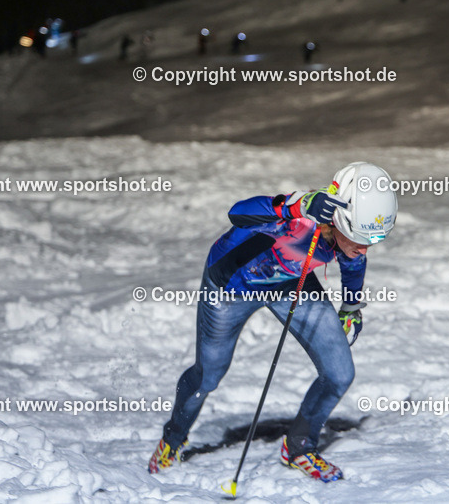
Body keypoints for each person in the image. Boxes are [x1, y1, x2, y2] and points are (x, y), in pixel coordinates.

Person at [149, 162, 398, 483]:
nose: (363, 247)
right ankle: (172, 440)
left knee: (340, 373)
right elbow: (238, 213)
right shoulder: (301, 218)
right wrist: (294, 204)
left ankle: (299, 446)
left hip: (291, 283)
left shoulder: (351, 239)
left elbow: (354, 261)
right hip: (232, 288)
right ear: (338, 218)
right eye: (358, 236)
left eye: (373, 240)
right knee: (209, 374)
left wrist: (351, 306)